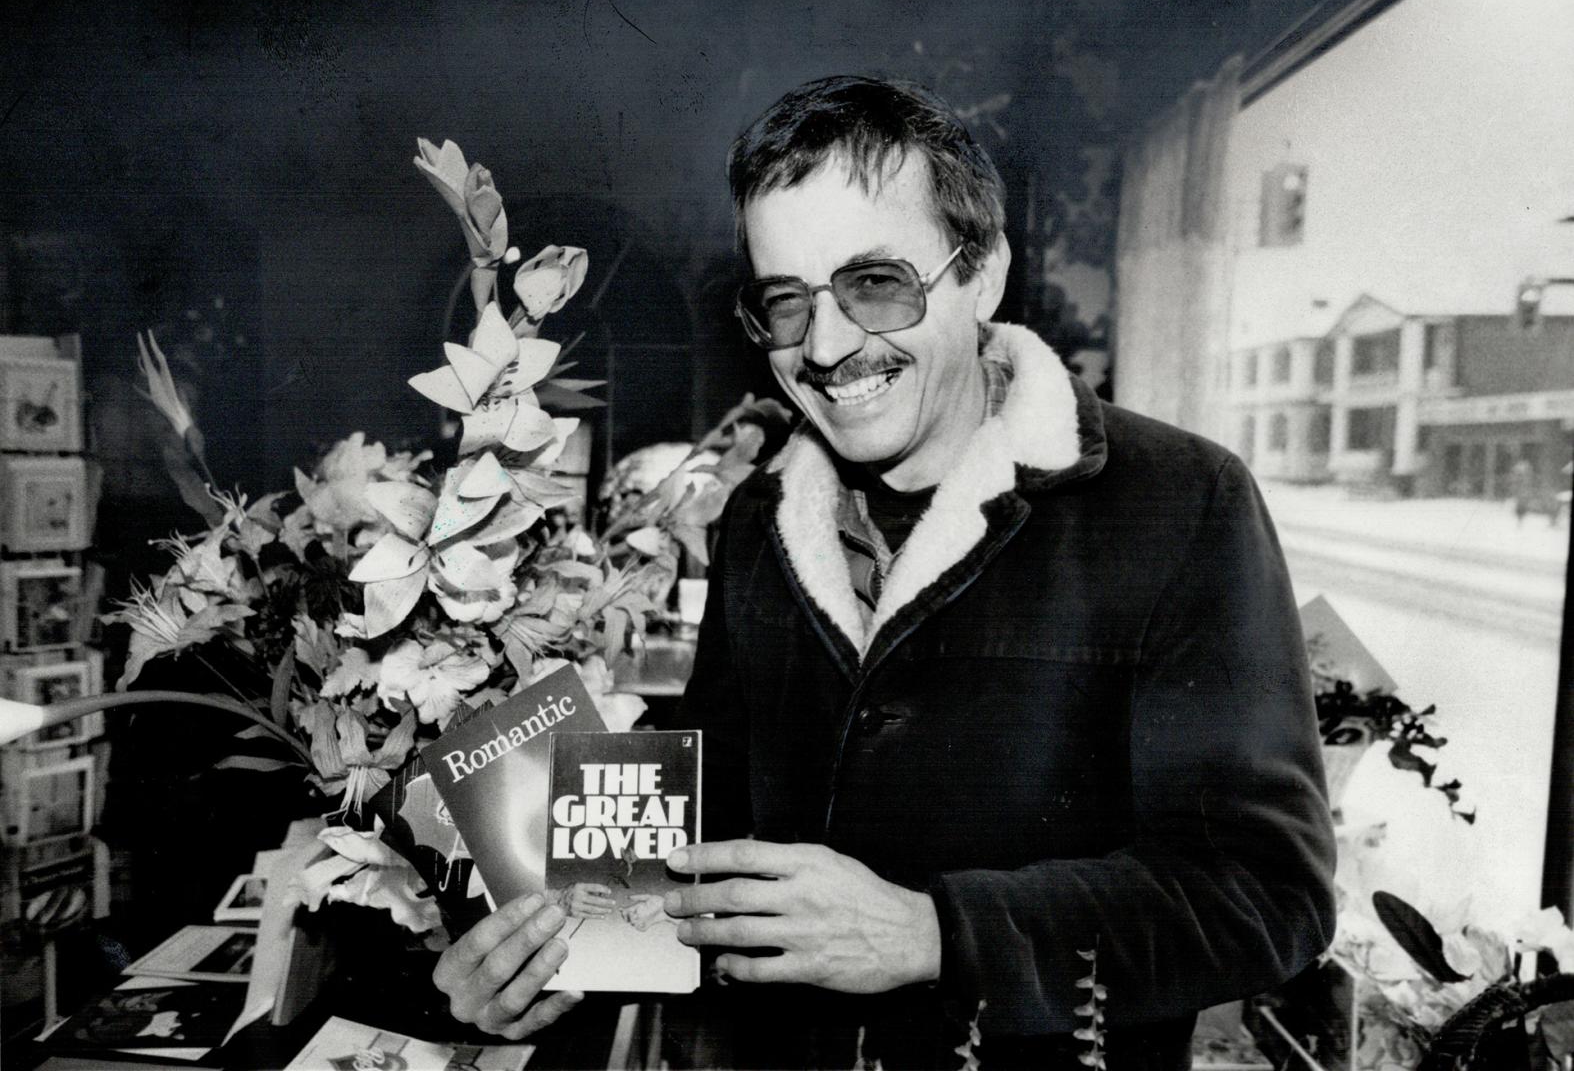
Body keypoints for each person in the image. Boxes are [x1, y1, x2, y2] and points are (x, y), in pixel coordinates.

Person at [434, 75, 1336, 1069]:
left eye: (874, 283)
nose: (822, 346)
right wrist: (551, 944)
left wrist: (936, 934)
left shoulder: (1179, 500)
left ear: (982, 271)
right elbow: (721, 785)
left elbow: (1265, 894)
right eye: (784, 302)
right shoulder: (759, 518)